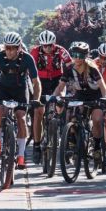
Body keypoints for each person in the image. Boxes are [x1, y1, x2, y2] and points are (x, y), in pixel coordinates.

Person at [0, 32, 40, 169]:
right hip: (4, 88)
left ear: (19, 48)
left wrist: (36, 99)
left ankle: (20, 156)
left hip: (21, 89)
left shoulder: (27, 58)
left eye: (13, 48)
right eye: (7, 47)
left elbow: (36, 82)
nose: (9, 51)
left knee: (21, 118)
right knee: (0, 111)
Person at [29, 30, 72, 162]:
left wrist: (71, 81)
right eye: (45, 45)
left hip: (57, 80)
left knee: (62, 101)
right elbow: (28, 70)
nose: (47, 48)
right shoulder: (35, 52)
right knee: (38, 112)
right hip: (41, 82)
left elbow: (70, 66)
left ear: (54, 44)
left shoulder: (60, 51)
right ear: (41, 44)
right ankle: (36, 145)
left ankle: (64, 135)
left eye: (50, 45)